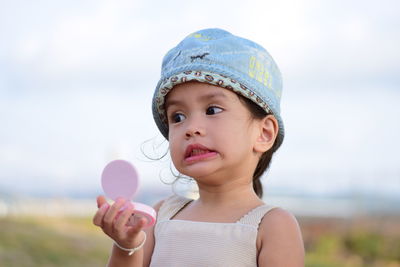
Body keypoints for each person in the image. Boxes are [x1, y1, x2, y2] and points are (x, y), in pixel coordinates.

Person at [93, 28, 305, 266]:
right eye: (178, 117)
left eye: (212, 110)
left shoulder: (271, 225)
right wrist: (126, 246)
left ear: (263, 133)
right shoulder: (162, 215)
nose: (191, 128)